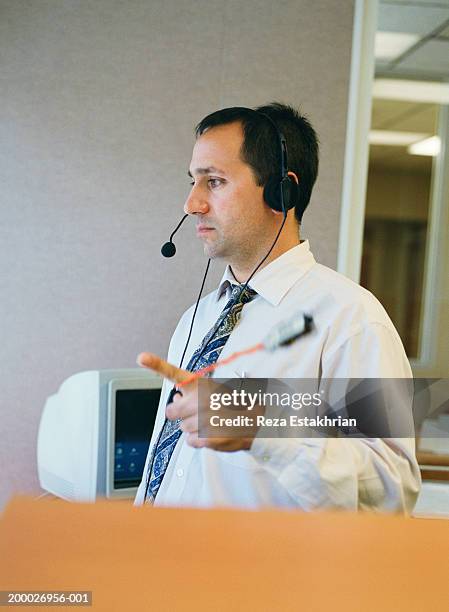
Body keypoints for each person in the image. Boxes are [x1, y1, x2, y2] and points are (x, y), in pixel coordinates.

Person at [134, 103, 421, 511]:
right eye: (193, 182)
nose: (191, 204)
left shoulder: (351, 319)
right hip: (164, 564)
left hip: (263, 574)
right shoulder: (196, 319)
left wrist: (263, 430)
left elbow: (392, 489)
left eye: (213, 182)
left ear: (281, 191)